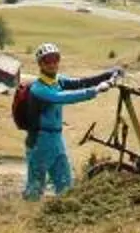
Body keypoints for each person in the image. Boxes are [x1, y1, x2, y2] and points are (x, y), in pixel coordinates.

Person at [14, 43, 117, 200]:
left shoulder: (58, 81)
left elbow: (81, 82)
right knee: (35, 187)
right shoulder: (38, 89)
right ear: (40, 64)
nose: (52, 64)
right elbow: (63, 97)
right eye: (47, 60)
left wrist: (107, 75)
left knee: (65, 184)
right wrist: (95, 91)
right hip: (39, 142)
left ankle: (64, 216)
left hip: (57, 139)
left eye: (55, 59)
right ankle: (26, 218)